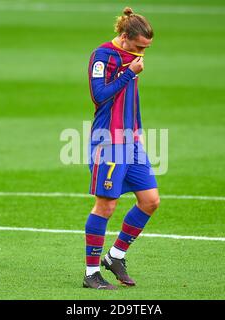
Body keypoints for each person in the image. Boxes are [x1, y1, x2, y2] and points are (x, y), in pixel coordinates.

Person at [83, 7, 159, 290]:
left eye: (147, 48)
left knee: (150, 200)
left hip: (132, 140)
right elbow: (99, 96)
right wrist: (129, 72)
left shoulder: (133, 56)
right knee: (106, 205)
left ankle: (115, 256)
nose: (143, 52)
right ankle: (91, 273)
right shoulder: (103, 56)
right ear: (124, 36)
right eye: (139, 46)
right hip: (108, 141)